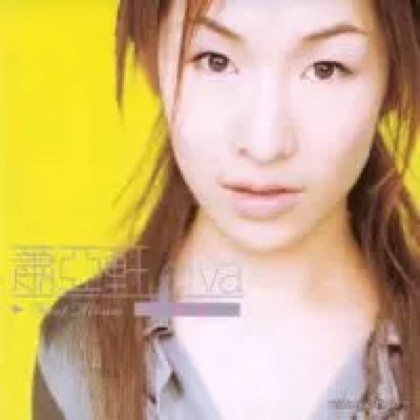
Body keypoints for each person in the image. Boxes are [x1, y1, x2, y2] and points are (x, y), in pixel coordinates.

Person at [32, 0, 420, 419]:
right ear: (150, 57)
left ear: (394, 79)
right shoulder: (81, 353)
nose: (265, 144)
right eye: (215, 61)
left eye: (326, 69)